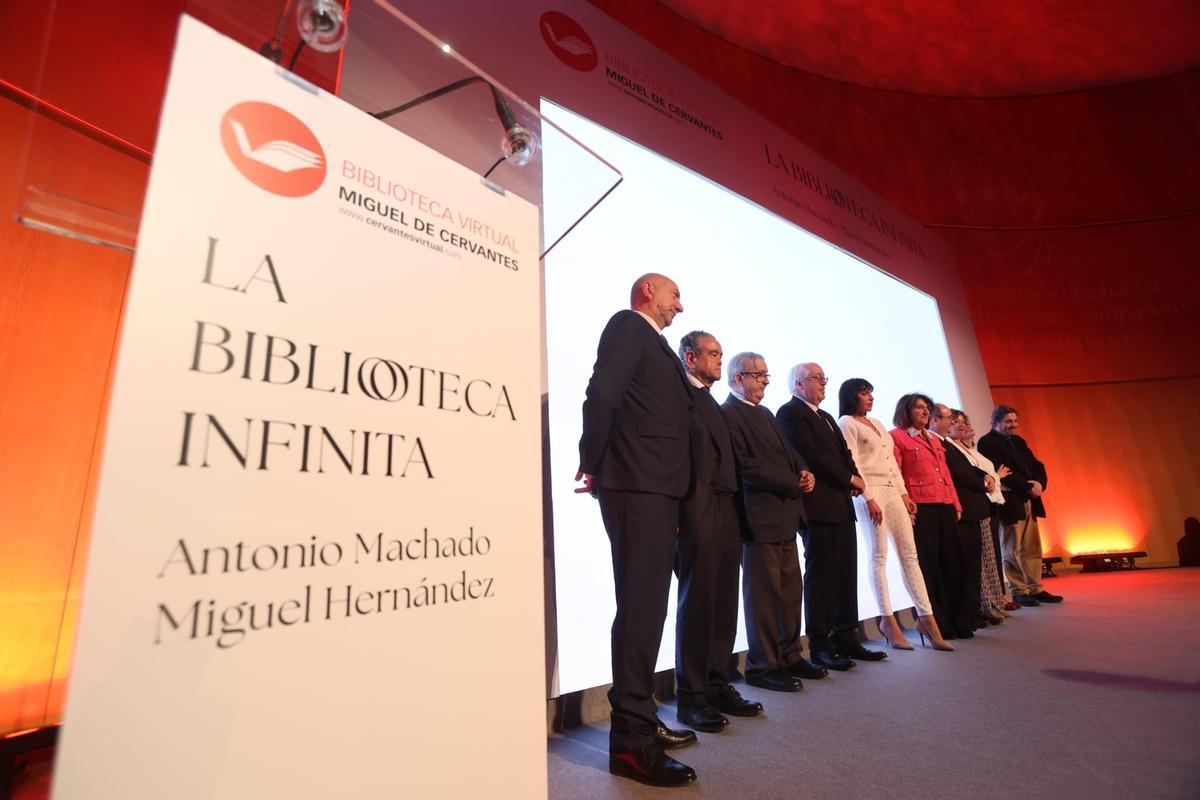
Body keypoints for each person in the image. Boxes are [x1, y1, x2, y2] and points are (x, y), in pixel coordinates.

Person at [576, 273, 697, 787]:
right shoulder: (628, 325)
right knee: (641, 608)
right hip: (638, 484)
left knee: (648, 608)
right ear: (648, 290)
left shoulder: (656, 343)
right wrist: (594, 461)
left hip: (656, 487)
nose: (681, 305)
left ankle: (640, 718)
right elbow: (602, 394)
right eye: (674, 295)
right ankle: (630, 743)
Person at [673, 331, 763, 734]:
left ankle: (716, 684)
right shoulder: (676, 396)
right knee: (698, 606)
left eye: (720, 354)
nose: (718, 360)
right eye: (712, 354)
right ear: (690, 357)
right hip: (696, 510)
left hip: (727, 510)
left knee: (725, 603)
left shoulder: (711, 401)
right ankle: (691, 699)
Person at [720, 352, 822, 693]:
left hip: (785, 516)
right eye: (758, 374)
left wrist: (804, 471)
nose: (765, 380)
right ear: (738, 379)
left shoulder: (765, 413)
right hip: (758, 519)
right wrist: (790, 481)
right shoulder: (727, 414)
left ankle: (789, 655)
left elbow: (789, 453)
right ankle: (763, 666)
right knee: (763, 598)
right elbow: (744, 465)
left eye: (766, 374)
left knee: (791, 593)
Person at [778, 363, 886, 668]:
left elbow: (844, 454)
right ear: (799, 385)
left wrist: (853, 476)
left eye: (825, 379)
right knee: (822, 577)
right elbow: (813, 456)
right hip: (818, 507)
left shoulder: (825, 416)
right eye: (816, 379)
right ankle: (820, 643)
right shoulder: (790, 413)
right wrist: (850, 480)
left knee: (844, 573)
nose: (824, 383)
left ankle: (847, 637)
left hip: (840, 505)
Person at [836, 379, 952, 651]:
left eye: (871, 393)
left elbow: (893, 467)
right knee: (879, 557)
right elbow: (853, 464)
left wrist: (904, 495)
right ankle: (887, 621)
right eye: (865, 393)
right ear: (852, 396)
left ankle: (926, 618)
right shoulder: (845, 423)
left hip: (892, 491)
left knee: (910, 556)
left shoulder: (877, 424)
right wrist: (867, 498)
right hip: (870, 493)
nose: (870, 398)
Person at [890, 394, 967, 640]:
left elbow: (945, 473)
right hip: (921, 508)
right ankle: (939, 624)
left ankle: (958, 620)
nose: (925, 412)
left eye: (927, 408)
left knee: (952, 564)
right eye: (919, 408)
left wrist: (955, 502)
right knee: (930, 567)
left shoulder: (934, 438)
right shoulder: (897, 437)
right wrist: (905, 505)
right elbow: (897, 475)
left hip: (944, 504)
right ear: (906, 411)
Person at [977, 405, 1063, 606]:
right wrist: (1028, 486)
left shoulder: (1018, 441)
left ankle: (1035, 587)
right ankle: (1019, 589)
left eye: (1015, 421)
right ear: (995, 423)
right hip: (1011, 501)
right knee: (1011, 547)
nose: (1013, 426)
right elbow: (1004, 474)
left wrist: (1040, 484)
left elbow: (1037, 465)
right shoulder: (987, 443)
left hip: (1027, 499)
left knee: (1032, 545)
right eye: (1008, 422)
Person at [931, 403, 987, 634]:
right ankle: (965, 615)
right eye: (948, 419)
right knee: (961, 566)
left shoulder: (949, 444)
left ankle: (971, 613)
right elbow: (957, 472)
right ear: (934, 420)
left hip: (969, 509)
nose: (952, 423)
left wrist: (984, 477)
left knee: (972, 566)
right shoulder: (939, 443)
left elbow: (972, 467)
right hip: (957, 510)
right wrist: (982, 482)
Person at [949, 411, 1010, 621]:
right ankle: (985, 606)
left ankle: (994, 602)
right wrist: (993, 477)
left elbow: (980, 472)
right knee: (978, 562)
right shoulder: (953, 448)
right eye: (956, 422)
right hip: (973, 505)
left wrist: (990, 477)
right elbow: (967, 475)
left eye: (964, 422)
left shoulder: (970, 451)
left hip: (987, 503)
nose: (963, 426)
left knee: (988, 558)